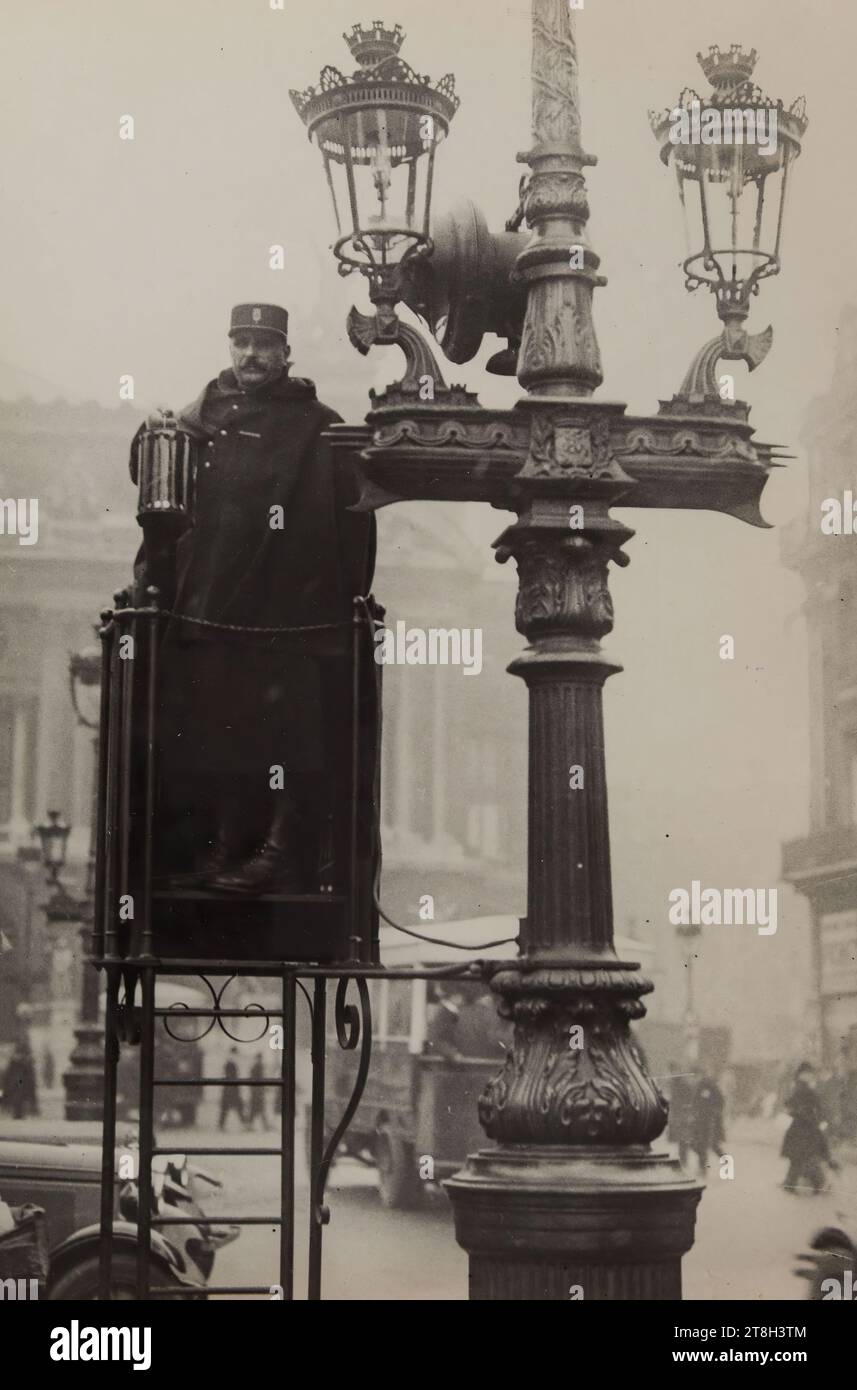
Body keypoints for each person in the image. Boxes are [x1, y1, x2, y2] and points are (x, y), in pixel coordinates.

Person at [130, 303, 375, 894]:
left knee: (286, 740)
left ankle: (280, 852)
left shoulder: (319, 423)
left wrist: (340, 597)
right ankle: (226, 848)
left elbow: (353, 518)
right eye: (241, 342)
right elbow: (156, 477)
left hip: (288, 618)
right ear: (229, 348)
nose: (251, 355)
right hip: (212, 608)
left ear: (286, 354)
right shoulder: (201, 416)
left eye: (264, 345)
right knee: (220, 736)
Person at [781, 1061, 838, 1194]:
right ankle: (816, 1182)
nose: (809, 1075)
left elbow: (792, 1105)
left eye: (810, 1073)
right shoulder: (802, 1088)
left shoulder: (802, 1087)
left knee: (801, 1157)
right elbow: (793, 1105)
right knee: (807, 1156)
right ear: (801, 1074)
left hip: (804, 1128)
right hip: (805, 1128)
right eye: (807, 1073)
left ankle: (792, 1182)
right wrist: (806, 1114)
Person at [691, 1071, 725, 1174]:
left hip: (709, 1120)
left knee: (706, 1144)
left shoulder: (707, 1085)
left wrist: (713, 1112)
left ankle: (703, 1169)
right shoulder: (700, 1085)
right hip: (702, 1120)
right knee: (701, 1144)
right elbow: (696, 1101)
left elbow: (721, 1101)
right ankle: (704, 1167)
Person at [1, 1040, 39, 1119]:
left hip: (19, 1082)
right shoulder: (24, 1060)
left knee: (19, 1097)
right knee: (20, 1096)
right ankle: (21, 1112)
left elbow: (9, 1073)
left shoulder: (17, 1060)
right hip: (20, 1082)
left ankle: (19, 1112)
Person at [667, 1064, 695, 1168]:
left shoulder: (683, 1084)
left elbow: (690, 1099)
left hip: (683, 1114)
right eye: (671, 1071)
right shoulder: (674, 1083)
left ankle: (684, 1162)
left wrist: (687, 1112)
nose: (672, 1073)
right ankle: (683, 1161)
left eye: (674, 1071)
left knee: (683, 1139)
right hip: (677, 1114)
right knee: (680, 1139)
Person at [218, 1046, 244, 1131]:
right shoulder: (230, 1064)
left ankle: (221, 1125)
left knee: (226, 1108)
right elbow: (230, 1077)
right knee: (236, 1107)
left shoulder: (229, 1063)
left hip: (229, 1090)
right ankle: (244, 1124)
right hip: (231, 1090)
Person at [245, 1052, 271, 1132]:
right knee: (258, 1109)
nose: (260, 1060)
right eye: (259, 1058)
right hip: (257, 1092)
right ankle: (264, 1126)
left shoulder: (257, 1067)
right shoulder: (257, 1067)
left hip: (257, 1091)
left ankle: (252, 1125)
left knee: (256, 1109)